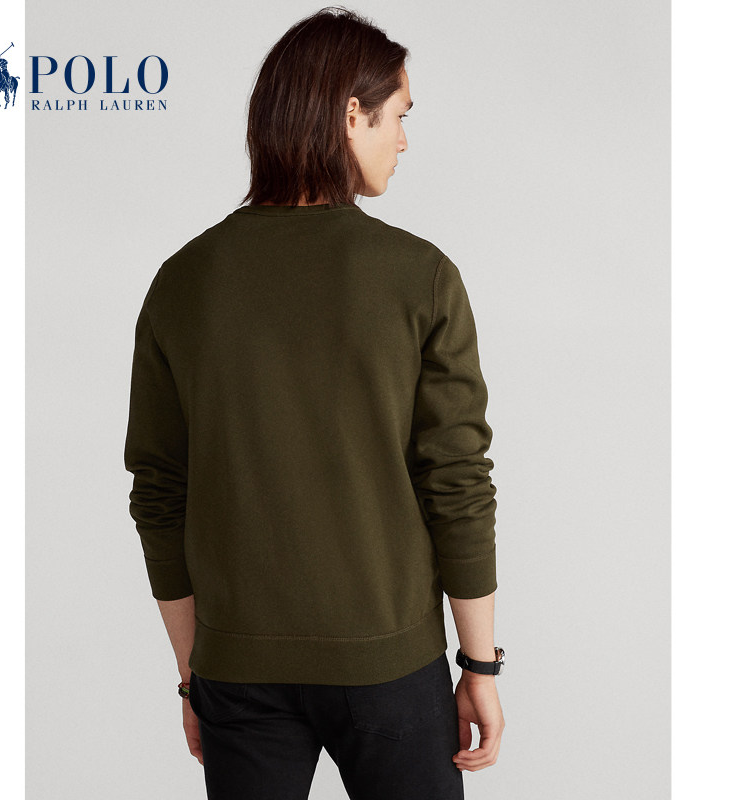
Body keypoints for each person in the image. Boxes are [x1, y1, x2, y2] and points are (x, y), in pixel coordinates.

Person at [123, 6, 505, 798]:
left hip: (237, 670)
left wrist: (194, 674)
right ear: (351, 114)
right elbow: (456, 481)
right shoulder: (421, 276)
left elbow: (159, 492)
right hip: (391, 666)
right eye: (398, 116)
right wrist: (479, 664)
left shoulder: (183, 281)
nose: (404, 140)